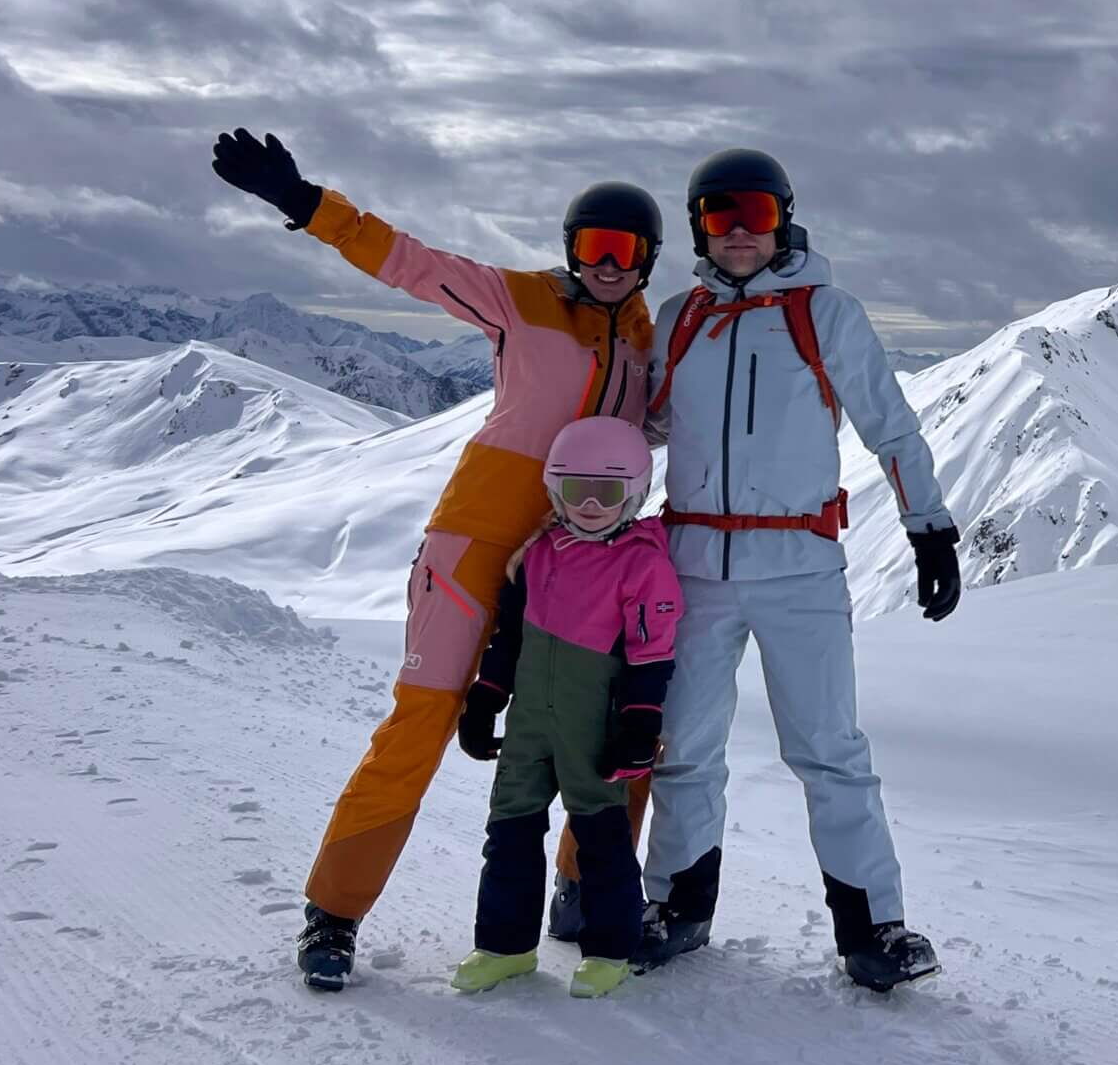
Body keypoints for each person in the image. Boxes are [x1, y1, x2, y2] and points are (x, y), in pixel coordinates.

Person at [208, 127, 660, 991]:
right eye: (594, 246)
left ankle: (583, 889)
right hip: (475, 540)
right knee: (423, 718)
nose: (609, 262)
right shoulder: (516, 299)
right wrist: (307, 205)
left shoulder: (647, 352)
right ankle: (333, 915)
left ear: (648, 259)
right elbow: (410, 263)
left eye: (626, 249)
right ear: (571, 252)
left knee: (614, 730)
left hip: (581, 563)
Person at [636, 146, 964, 991]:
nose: (740, 231)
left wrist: (929, 528)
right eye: (719, 214)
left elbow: (889, 426)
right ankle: (677, 910)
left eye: (756, 211)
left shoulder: (827, 313)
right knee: (685, 750)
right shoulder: (679, 318)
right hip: (695, 567)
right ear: (698, 226)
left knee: (829, 750)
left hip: (800, 568)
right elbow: (648, 426)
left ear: (785, 217)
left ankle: (872, 931)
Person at [451, 415, 679, 999]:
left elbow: (652, 653)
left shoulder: (642, 562)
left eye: (608, 492)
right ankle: (504, 946)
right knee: (509, 831)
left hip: (591, 726)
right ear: (557, 489)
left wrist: (639, 723)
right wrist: (485, 698)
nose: (593, 505)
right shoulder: (538, 554)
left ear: (634, 492)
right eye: (578, 490)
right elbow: (509, 638)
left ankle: (610, 950)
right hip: (530, 725)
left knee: (601, 840)